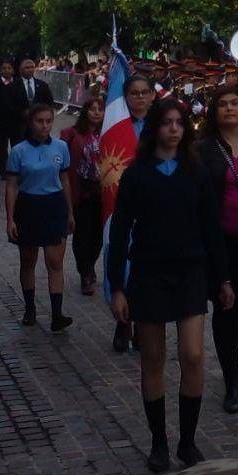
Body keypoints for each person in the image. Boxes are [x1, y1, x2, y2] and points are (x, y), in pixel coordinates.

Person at [108, 99, 232, 472]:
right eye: (167, 122)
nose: (174, 129)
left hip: (190, 272)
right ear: (155, 128)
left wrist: (223, 277)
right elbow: (119, 231)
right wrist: (117, 286)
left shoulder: (196, 173)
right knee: (153, 358)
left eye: (180, 122)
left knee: (193, 354)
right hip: (149, 273)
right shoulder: (136, 175)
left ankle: (188, 441)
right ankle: (159, 442)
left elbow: (212, 228)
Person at [196, 86, 238, 414]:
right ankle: (232, 380)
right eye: (222, 104)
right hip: (220, 242)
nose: (228, 109)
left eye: (234, 103)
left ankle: (229, 351)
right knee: (226, 306)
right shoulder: (203, 149)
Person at [5, 104, 75, 332]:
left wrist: (70, 211)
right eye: (39, 121)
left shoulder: (61, 147)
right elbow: (12, 186)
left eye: (48, 121)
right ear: (30, 122)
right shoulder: (18, 151)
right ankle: (30, 309)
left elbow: (64, 180)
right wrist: (10, 218)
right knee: (28, 261)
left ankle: (57, 314)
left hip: (53, 205)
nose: (44, 126)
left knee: (55, 262)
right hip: (29, 207)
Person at [103, 75, 157, 353]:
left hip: (156, 202)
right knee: (122, 258)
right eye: (134, 93)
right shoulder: (118, 126)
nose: (139, 97)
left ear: (153, 95)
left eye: (144, 92)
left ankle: (142, 321)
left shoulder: (161, 126)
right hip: (124, 200)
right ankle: (123, 319)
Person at [61, 95, 105, 295]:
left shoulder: (108, 133)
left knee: (97, 236)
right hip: (81, 190)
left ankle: (91, 263)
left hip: (102, 191)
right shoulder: (71, 133)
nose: (96, 112)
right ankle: (85, 272)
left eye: (100, 108)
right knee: (82, 234)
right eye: (92, 108)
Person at [0, 59, 20, 172]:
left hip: (15, 120)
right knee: (2, 146)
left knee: (16, 145)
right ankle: (2, 170)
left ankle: (16, 167)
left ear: (13, 70)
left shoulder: (17, 84)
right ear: (0, 71)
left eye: (9, 68)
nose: (6, 71)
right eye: (4, 68)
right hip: (1, 120)